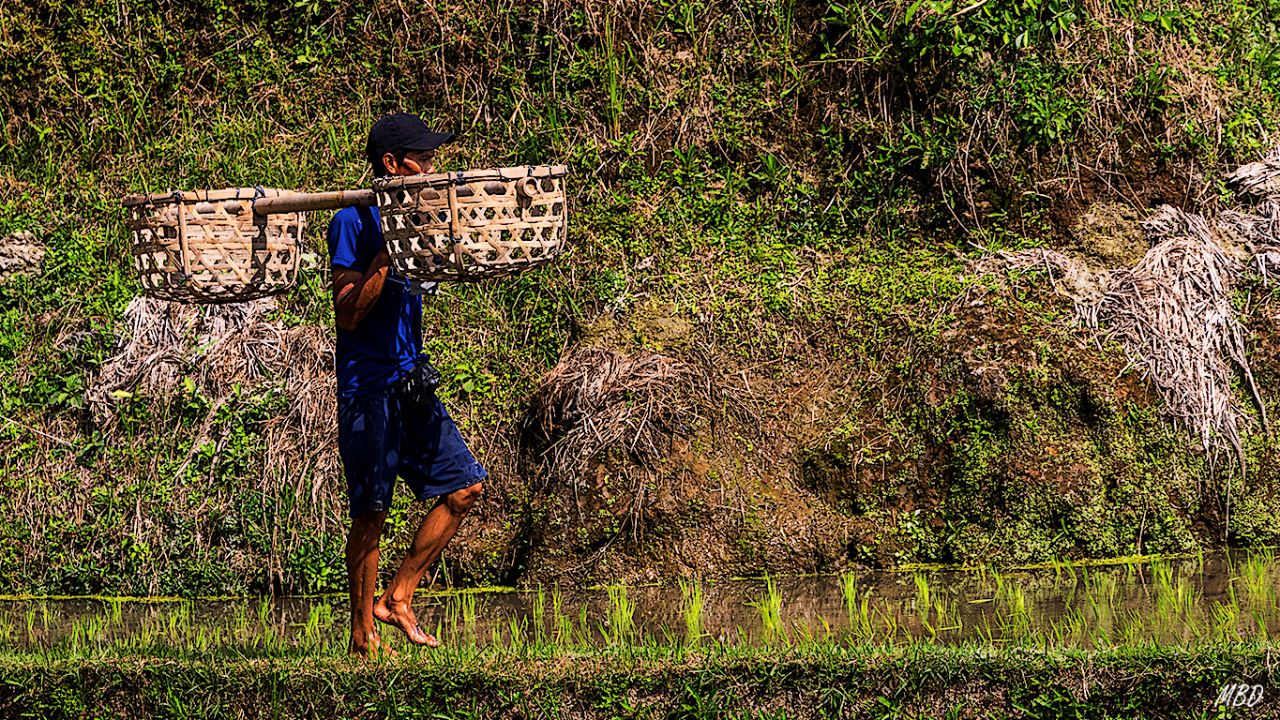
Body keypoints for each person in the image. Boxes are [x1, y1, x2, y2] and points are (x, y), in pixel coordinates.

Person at [328, 112, 486, 658]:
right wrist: (385, 252)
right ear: (392, 165)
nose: (432, 168)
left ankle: (398, 598)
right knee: (370, 510)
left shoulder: (419, 212)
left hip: (410, 376)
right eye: (424, 159)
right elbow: (347, 314)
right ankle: (361, 635)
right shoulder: (352, 219)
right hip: (367, 385)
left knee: (465, 486)